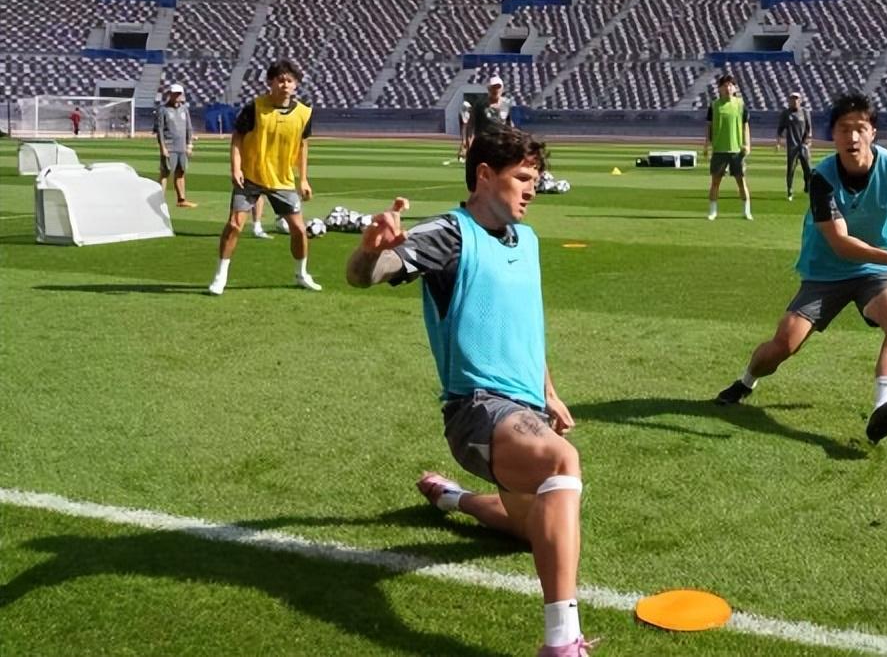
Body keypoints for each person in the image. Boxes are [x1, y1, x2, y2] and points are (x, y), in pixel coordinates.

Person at [345, 129, 592, 657]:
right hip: (475, 411)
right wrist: (368, 251)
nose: (532, 189)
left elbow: (525, 324)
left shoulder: (527, 239)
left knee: (538, 530)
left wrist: (548, 392)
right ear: (483, 175)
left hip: (524, 411)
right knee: (562, 463)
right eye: (522, 178)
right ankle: (562, 642)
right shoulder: (449, 235)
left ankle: (452, 497)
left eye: (536, 179)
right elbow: (365, 275)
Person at [713, 92, 887, 444]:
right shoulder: (822, 177)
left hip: (875, 271)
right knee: (784, 344)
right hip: (827, 271)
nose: (853, 136)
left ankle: (883, 409)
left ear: (873, 132)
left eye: (860, 128)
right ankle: (746, 381)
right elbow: (840, 242)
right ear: (833, 135)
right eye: (844, 129)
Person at [207, 59, 318, 295]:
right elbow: (237, 138)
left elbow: (302, 145)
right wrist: (236, 168)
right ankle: (220, 276)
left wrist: (303, 179)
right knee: (234, 225)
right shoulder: (254, 107)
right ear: (270, 82)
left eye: (289, 81)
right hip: (251, 177)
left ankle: (301, 274)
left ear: (296, 84)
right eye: (280, 80)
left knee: (299, 229)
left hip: (282, 180)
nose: (285, 85)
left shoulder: (304, 113)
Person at [704, 74, 751, 220]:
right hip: (719, 149)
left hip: (736, 150)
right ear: (719, 89)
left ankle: (746, 211)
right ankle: (713, 211)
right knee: (715, 182)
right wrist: (706, 145)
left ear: (734, 88)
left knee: (741, 181)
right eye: (724, 86)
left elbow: (745, 126)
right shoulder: (714, 106)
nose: (727, 88)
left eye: (730, 85)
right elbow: (709, 127)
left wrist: (747, 144)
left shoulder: (740, 105)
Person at [155, 83, 197, 208]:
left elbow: (189, 127)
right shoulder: (163, 110)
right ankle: (159, 200)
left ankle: (181, 199)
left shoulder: (184, 109)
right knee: (165, 173)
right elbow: (160, 130)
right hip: (170, 146)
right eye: (175, 94)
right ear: (170, 94)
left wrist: (189, 144)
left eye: (179, 94)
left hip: (182, 147)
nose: (178, 96)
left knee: (181, 172)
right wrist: (163, 147)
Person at [776, 92, 812, 201]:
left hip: (803, 145)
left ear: (800, 100)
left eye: (796, 99)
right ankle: (790, 190)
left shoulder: (805, 112)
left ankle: (807, 186)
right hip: (792, 146)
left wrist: (808, 140)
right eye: (792, 99)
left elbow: (809, 128)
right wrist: (778, 142)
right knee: (791, 169)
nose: (794, 101)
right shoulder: (786, 113)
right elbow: (780, 128)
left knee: (808, 169)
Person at [466, 76, 514, 152]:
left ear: (502, 89)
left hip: (500, 146)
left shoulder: (507, 105)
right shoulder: (480, 105)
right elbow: (471, 125)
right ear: (489, 89)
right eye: (493, 87)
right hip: (482, 146)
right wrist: (469, 141)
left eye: (498, 87)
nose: (496, 90)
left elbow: (510, 126)